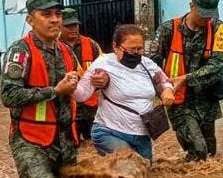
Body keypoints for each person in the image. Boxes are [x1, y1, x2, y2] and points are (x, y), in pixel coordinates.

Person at [0, 0, 109, 178]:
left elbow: (82, 89)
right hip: (30, 142)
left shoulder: (66, 51)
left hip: (66, 143)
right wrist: (55, 91)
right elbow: (9, 96)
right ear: (30, 20)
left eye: (58, 14)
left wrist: (100, 81)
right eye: (46, 14)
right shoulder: (20, 51)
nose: (54, 20)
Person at [149, 0, 223, 162]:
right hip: (179, 101)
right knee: (199, 150)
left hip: (207, 100)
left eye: (210, 14)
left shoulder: (218, 28)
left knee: (210, 152)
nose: (206, 18)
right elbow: (151, 65)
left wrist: (185, 79)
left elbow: (219, 64)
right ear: (191, 5)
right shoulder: (167, 30)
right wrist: (164, 89)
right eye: (203, 13)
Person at [74, 24, 174, 161]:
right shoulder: (104, 63)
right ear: (115, 47)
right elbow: (81, 95)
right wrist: (71, 83)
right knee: (130, 163)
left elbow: (164, 81)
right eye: (132, 50)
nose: (137, 53)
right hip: (110, 132)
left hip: (142, 135)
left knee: (145, 173)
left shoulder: (147, 64)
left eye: (140, 49)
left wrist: (168, 91)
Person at [59, 8, 104, 142]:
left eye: (75, 25)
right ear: (60, 26)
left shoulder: (91, 44)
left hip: (91, 109)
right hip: (67, 109)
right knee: (72, 147)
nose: (73, 29)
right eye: (68, 26)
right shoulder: (54, 47)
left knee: (96, 145)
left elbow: (104, 67)